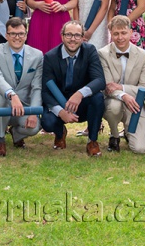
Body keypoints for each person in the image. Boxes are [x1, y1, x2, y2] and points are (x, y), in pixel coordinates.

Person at [40, 20, 105, 156]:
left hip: (81, 104)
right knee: (47, 122)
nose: (73, 39)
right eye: (69, 35)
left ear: (82, 37)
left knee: (98, 97)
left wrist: (80, 94)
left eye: (77, 35)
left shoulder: (90, 51)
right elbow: (45, 91)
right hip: (59, 103)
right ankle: (60, 133)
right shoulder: (50, 57)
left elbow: (99, 80)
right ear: (62, 36)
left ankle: (92, 140)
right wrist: (60, 112)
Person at [0, 16, 43, 157]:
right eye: (13, 34)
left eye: (21, 34)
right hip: (0, 105)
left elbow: (37, 87)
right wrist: (11, 94)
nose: (17, 37)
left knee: (33, 128)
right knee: (0, 97)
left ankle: (16, 133)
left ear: (26, 35)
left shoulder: (37, 55)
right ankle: (0, 140)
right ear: (6, 35)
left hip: (24, 106)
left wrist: (34, 112)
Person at [99, 15, 145, 154]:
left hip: (135, 104)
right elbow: (108, 87)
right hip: (113, 100)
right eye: (116, 34)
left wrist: (122, 88)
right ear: (110, 34)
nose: (120, 37)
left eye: (123, 33)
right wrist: (124, 96)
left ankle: (129, 132)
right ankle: (114, 135)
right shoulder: (103, 54)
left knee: (140, 149)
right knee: (114, 107)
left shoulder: (144, 55)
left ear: (130, 32)